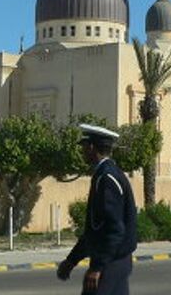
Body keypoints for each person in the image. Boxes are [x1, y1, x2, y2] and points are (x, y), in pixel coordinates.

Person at [57, 124, 138, 295]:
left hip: (111, 262)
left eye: (84, 147)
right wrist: (72, 260)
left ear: (92, 147)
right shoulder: (108, 173)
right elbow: (95, 229)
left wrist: (97, 267)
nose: (82, 151)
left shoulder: (106, 177)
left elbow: (113, 229)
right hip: (117, 260)